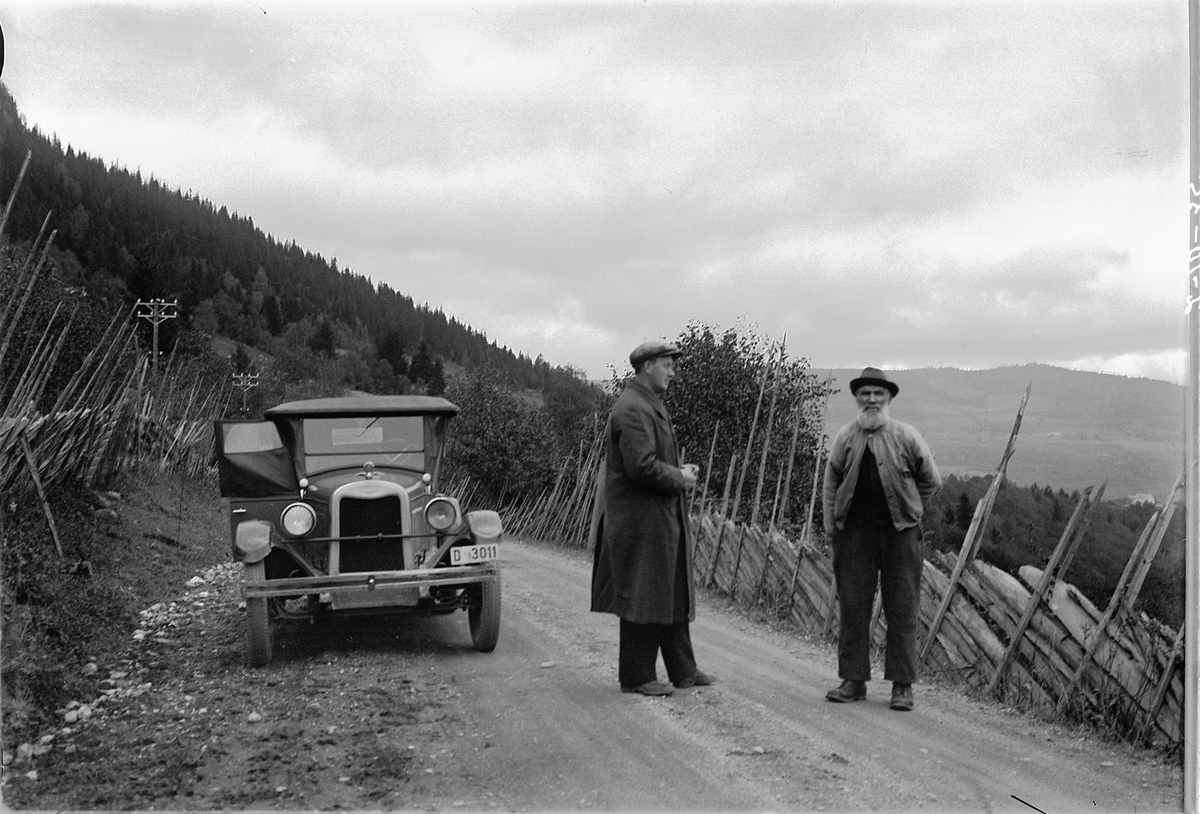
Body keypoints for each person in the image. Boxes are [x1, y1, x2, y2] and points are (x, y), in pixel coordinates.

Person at [589, 339, 713, 697]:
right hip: (640, 520)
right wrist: (680, 478)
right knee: (643, 594)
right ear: (647, 366)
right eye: (667, 364)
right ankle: (637, 676)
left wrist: (676, 471)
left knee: (668, 590)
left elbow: (649, 460)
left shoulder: (646, 403)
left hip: (655, 516)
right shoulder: (632, 408)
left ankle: (683, 671)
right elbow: (640, 467)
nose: (673, 371)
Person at [822, 367, 941, 711]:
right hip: (855, 534)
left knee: (902, 608)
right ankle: (853, 680)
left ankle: (902, 687)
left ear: (889, 398)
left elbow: (930, 480)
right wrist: (832, 527)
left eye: (878, 394)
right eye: (865, 394)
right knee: (854, 606)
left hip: (900, 534)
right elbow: (831, 484)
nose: (871, 399)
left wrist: (911, 509)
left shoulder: (907, 436)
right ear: (856, 398)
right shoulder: (846, 436)